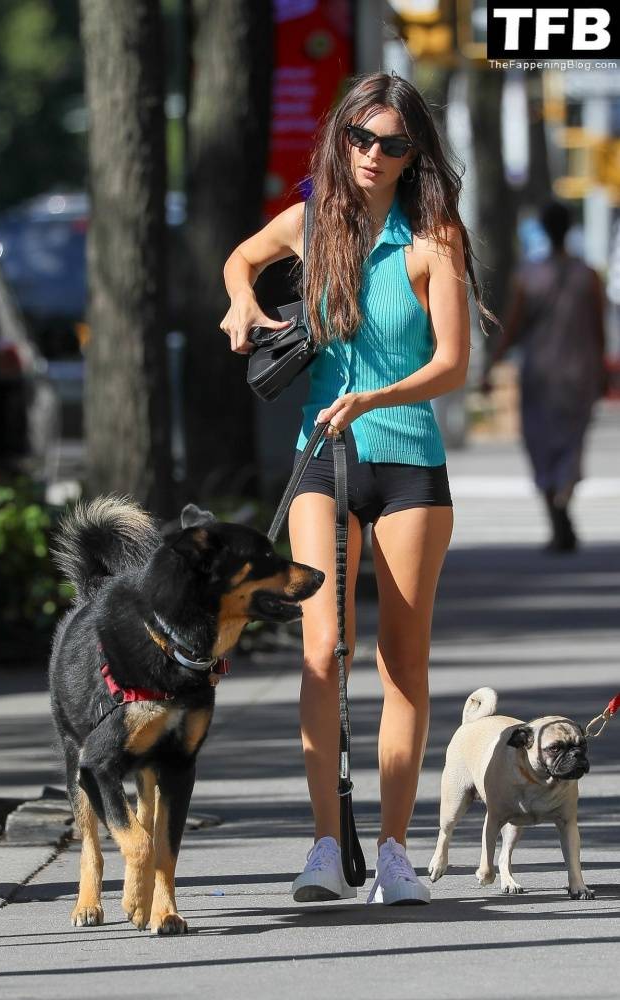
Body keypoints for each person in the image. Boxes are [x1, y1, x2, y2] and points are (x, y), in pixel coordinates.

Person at [220, 72, 491, 906]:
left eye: (394, 143)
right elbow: (243, 257)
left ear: (415, 156)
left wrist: (376, 395)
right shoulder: (313, 223)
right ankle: (323, 848)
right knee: (319, 651)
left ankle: (396, 850)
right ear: (340, 140)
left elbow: (452, 362)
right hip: (320, 460)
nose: (373, 155)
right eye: (359, 138)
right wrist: (240, 305)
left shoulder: (432, 236)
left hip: (409, 462)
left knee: (401, 661)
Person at [483, 201, 607, 552]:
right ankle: (563, 501)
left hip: (539, 371)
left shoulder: (527, 275)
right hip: (579, 372)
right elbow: (598, 330)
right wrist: (601, 372)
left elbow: (513, 327)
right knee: (572, 442)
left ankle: (556, 509)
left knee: (540, 442)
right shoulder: (588, 275)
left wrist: (494, 364)